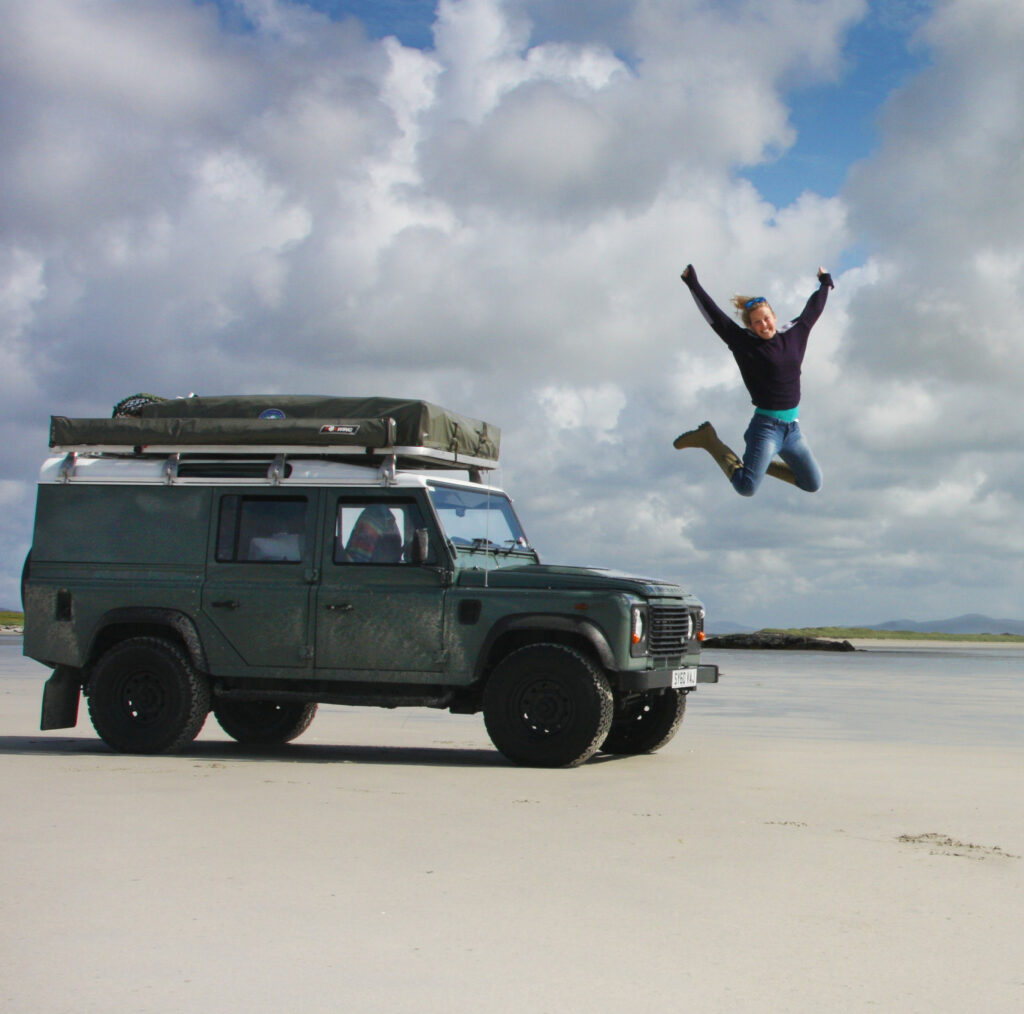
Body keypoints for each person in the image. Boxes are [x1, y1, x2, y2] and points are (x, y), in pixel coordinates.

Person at [675, 263, 833, 496]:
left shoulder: (794, 334)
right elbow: (714, 317)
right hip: (766, 429)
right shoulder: (743, 344)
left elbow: (814, 309)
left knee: (812, 483)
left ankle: (761, 463)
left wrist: (826, 282)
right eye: (757, 322)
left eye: (766, 318)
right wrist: (693, 285)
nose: (764, 325)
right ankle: (709, 440)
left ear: (774, 316)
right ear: (750, 325)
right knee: (746, 487)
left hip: (793, 431)